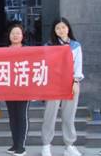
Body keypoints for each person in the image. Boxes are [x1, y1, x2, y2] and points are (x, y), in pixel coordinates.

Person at [41, 18, 83, 156]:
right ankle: (46, 144)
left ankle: (69, 145)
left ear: (68, 28)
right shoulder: (49, 45)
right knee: (50, 114)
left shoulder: (76, 46)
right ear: (54, 30)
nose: (61, 30)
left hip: (71, 83)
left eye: (63, 27)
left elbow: (78, 66)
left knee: (69, 115)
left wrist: (76, 82)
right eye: (58, 28)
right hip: (54, 84)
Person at [5, 23, 29, 156]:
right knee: (12, 116)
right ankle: (15, 144)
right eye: (13, 33)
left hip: (23, 89)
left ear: (22, 35)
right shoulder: (3, 51)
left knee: (21, 116)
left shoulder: (28, 51)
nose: (15, 35)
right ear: (9, 35)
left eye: (18, 33)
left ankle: (21, 146)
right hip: (8, 88)